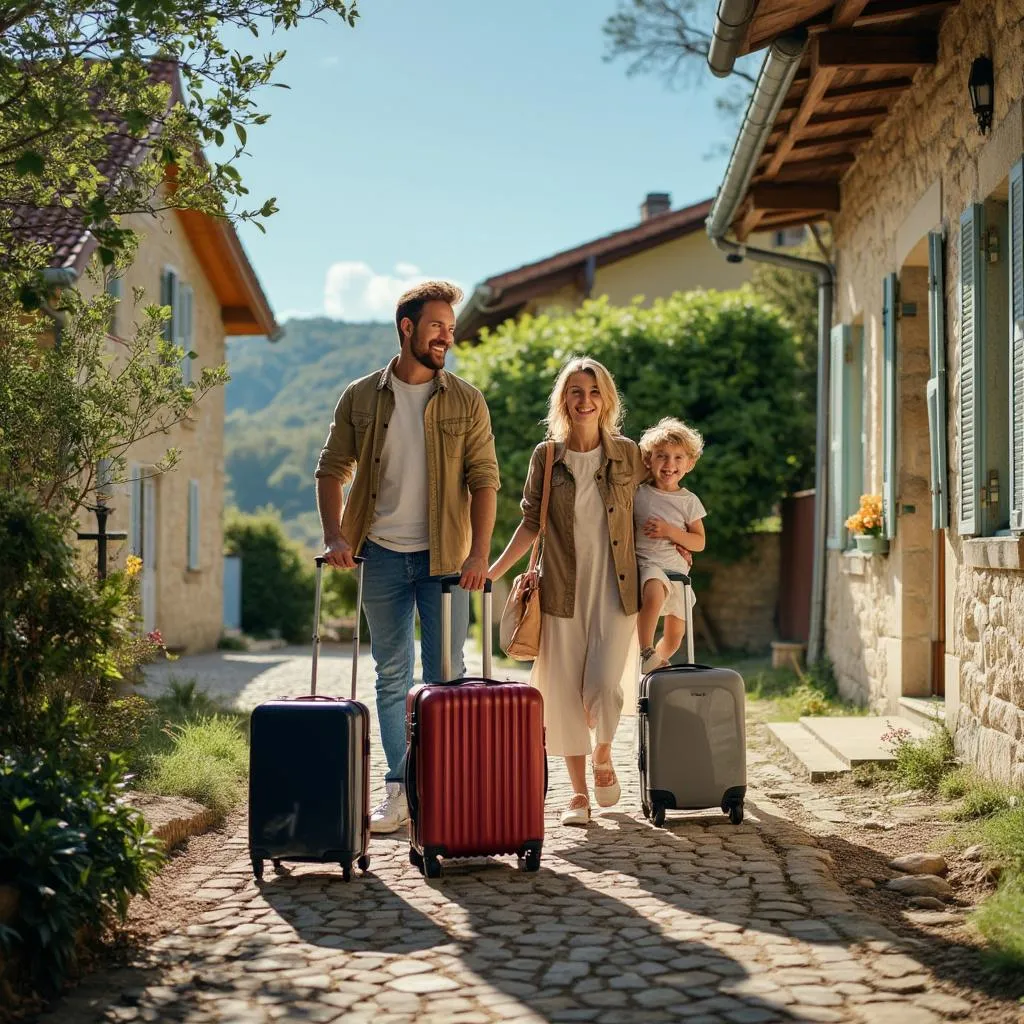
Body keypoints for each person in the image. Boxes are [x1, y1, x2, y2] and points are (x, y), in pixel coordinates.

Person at [314, 280, 499, 834]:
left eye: (450, 326)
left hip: (447, 560)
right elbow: (331, 469)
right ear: (408, 328)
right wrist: (335, 537)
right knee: (392, 675)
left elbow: (484, 480)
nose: (448, 335)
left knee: (446, 676)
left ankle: (445, 789)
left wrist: (480, 557)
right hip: (382, 556)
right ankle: (399, 790)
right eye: (438, 325)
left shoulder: (466, 400)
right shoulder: (361, 396)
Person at [489, 357, 646, 827]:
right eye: (576, 391)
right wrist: (494, 570)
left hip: (618, 587)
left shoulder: (629, 454)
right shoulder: (547, 456)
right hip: (560, 589)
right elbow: (530, 522)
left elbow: (651, 506)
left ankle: (603, 753)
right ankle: (578, 793)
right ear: (563, 400)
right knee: (560, 691)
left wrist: (677, 545)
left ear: (607, 399)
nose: (585, 401)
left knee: (604, 687)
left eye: (594, 391)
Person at [635, 417, 707, 674]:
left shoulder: (689, 501)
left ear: (690, 464)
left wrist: (671, 532)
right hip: (648, 567)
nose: (669, 464)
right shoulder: (638, 493)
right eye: (662, 456)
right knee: (654, 592)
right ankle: (645, 651)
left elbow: (699, 542)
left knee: (676, 636)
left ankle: (653, 665)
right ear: (648, 460)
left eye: (678, 458)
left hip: (678, 574)